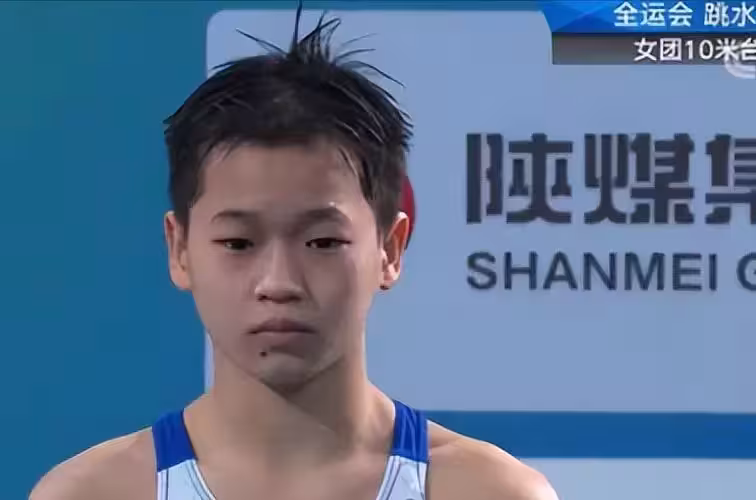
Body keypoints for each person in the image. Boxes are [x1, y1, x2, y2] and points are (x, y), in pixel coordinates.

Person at [30, 6, 558, 500]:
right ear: (180, 249)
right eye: (238, 243)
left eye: (322, 242)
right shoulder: (91, 492)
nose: (278, 283)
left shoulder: (488, 491)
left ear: (390, 250)